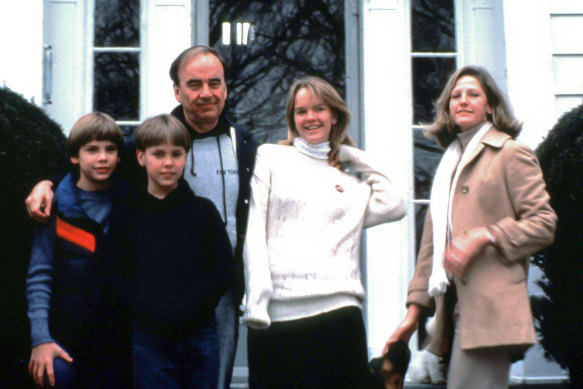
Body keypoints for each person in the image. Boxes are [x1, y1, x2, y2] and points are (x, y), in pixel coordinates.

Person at [25, 45, 258, 389]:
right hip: (150, 314)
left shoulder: (246, 144)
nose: (206, 93)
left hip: (213, 298)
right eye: (194, 84)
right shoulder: (152, 139)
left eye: (214, 83)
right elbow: (93, 159)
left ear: (225, 88)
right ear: (177, 91)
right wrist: (47, 183)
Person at [384, 65, 557, 389]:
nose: (462, 100)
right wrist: (411, 318)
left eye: (473, 94)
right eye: (456, 95)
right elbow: (430, 250)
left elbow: (544, 223)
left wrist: (487, 234)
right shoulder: (450, 165)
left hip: (491, 315)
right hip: (448, 315)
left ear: (490, 105)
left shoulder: (511, 153)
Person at [243, 76, 406, 389]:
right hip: (277, 317)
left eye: (319, 109)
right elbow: (255, 231)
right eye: (301, 111)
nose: (310, 117)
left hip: (339, 315)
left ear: (335, 115)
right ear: (293, 118)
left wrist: (348, 154)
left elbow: (395, 204)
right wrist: (258, 303)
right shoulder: (271, 157)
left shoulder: (349, 183)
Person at [106, 114, 234, 388]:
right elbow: (116, 271)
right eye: (158, 154)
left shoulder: (203, 211)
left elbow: (222, 269)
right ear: (141, 157)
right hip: (148, 336)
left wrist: (194, 309)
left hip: (200, 334)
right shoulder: (127, 213)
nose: (168, 163)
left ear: (186, 158)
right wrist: (146, 310)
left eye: (176, 154)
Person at [26, 112, 131, 388]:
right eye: (92, 149)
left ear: (120, 157)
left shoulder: (132, 203)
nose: (102, 157)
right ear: (74, 157)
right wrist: (41, 339)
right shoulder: (55, 206)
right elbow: (40, 276)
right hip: (67, 338)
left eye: (110, 149)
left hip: (120, 342)